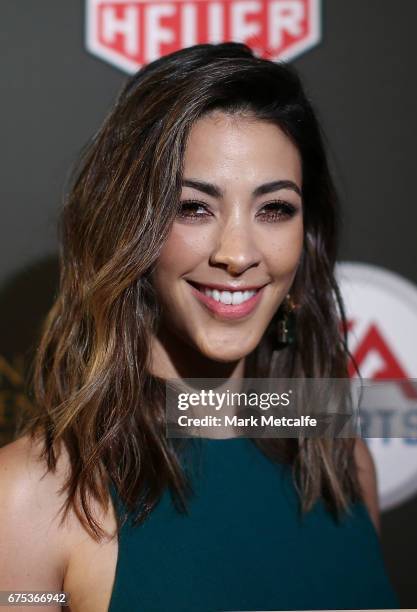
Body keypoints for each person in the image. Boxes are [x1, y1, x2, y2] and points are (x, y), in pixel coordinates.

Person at [0, 43, 399, 612]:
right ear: (129, 229)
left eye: (275, 209)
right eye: (193, 207)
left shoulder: (341, 460)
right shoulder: (29, 497)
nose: (237, 254)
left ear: (307, 238)